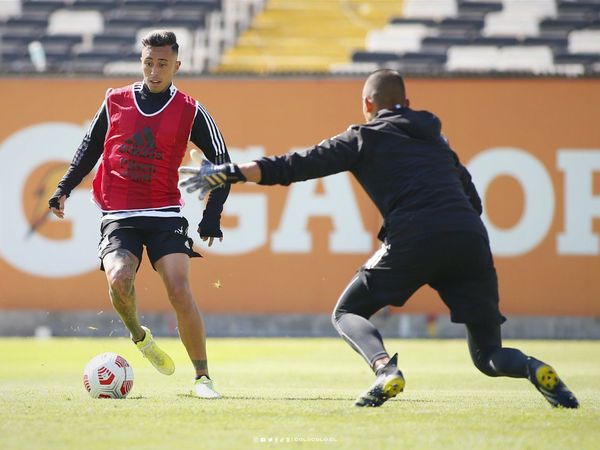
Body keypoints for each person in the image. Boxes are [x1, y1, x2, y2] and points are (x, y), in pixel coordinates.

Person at [178, 69, 579, 408]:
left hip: (414, 236)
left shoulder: (363, 137)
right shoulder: (435, 139)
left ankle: (386, 370)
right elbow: (470, 193)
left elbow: (295, 165)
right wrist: (457, 236)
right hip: (469, 238)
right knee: (488, 354)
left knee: (347, 312)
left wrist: (228, 172)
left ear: (367, 105)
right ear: (406, 100)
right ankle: (532, 368)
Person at [49, 30, 229, 399]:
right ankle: (139, 336)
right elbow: (89, 147)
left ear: (177, 66)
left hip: (165, 212)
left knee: (178, 289)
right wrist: (63, 188)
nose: (154, 70)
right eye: (148, 62)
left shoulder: (191, 110)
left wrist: (213, 215)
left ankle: (202, 378)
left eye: (162, 64)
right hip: (119, 213)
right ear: (141, 62)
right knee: (118, 280)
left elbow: (223, 163)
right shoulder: (115, 100)